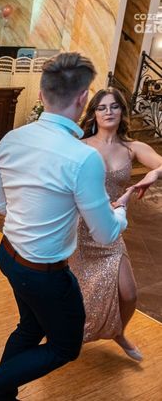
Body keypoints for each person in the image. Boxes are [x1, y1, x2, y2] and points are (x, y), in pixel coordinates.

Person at [0, 53, 133, 401]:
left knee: (30, 327)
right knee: (65, 346)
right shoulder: (84, 158)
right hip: (44, 272)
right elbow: (106, 233)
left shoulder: (11, 139)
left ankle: (0, 395)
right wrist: (121, 211)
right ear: (83, 98)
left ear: (40, 94)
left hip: (8, 254)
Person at [68, 87, 162, 362]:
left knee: (129, 294)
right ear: (94, 114)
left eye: (114, 106)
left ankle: (118, 332)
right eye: (102, 107)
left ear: (122, 111)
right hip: (80, 228)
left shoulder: (132, 147)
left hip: (109, 230)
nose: (108, 112)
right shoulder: (80, 145)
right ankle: (64, 335)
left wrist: (154, 175)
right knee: (75, 290)